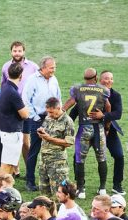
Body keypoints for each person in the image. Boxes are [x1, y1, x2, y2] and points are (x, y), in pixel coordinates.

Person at [63, 68, 111, 197]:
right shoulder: (103, 90)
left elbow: (70, 103)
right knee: (101, 158)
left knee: (80, 159)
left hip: (84, 128)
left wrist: (61, 112)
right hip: (98, 128)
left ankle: (81, 189)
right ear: (95, 78)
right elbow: (108, 107)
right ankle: (102, 188)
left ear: (85, 78)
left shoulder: (78, 89)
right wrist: (107, 127)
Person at [22, 56, 62, 192]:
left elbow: (58, 98)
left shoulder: (54, 80)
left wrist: (58, 114)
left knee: (53, 151)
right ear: (43, 67)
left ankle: (51, 181)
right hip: (38, 119)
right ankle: (30, 181)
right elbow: (26, 99)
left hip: (52, 119)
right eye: (51, 68)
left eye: (54, 67)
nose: (54, 70)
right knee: (34, 151)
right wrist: (35, 117)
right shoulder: (32, 79)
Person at [0, 63, 30, 179]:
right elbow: (25, 114)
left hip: (7, 131)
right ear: (21, 76)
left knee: (10, 163)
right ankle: (1, 188)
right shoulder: (13, 93)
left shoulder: (5, 87)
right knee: (7, 165)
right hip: (12, 133)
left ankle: (4, 188)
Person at [37, 97, 74, 196]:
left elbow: (68, 143)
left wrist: (49, 139)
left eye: (52, 112)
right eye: (48, 112)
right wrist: (42, 132)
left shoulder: (67, 121)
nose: (49, 115)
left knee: (59, 194)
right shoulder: (48, 118)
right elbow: (46, 131)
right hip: (44, 161)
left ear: (59, 108)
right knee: (44, 193)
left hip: (58, 164)